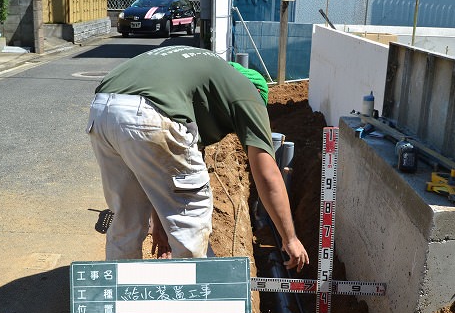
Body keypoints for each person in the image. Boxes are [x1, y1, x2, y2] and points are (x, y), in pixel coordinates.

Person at [87, 45, 308, 271]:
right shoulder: (248, 92)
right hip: (148, 115)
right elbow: (267, 173)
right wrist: (290, 238)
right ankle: (191, 295)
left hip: (101, 111)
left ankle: (120, 293)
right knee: (190, 218)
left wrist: (161, 226)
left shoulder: (200, 81)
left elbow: (159, 177)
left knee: (127, 217)